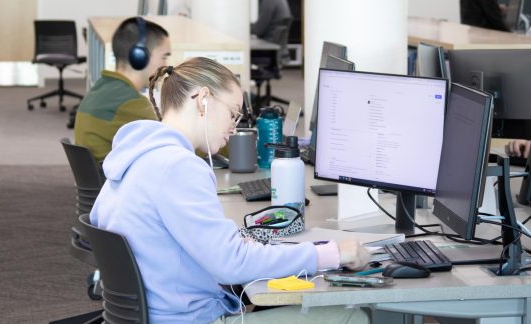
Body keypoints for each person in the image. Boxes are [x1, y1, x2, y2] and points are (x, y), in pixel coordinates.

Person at [90, 57, 371, 323]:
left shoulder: (134, 154)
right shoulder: (178, 167)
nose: (234, 128)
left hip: (155, 313)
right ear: (204, 100)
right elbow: (231, 265)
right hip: (190, 318)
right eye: (233, 114)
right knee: (351, 316)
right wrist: (330, 254)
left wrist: (234, 243)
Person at [74, 17, 171, 163]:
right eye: (164, 57)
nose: (165, 66)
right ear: (140, 57)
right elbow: (174, 145)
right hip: (121, 182)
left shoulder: (102, 88)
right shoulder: (129, 103)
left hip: (109, 179)